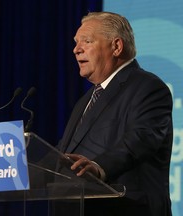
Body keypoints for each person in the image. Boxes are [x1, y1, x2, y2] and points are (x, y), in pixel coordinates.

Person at [57, 11, 173, 216]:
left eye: (87, 41)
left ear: (116, 46)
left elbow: (141, 139)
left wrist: (98, 166)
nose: (76, 49)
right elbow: (64, 153)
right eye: (76, 42)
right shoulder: (85, 100)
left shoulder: (148, 87)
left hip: (128, 208)